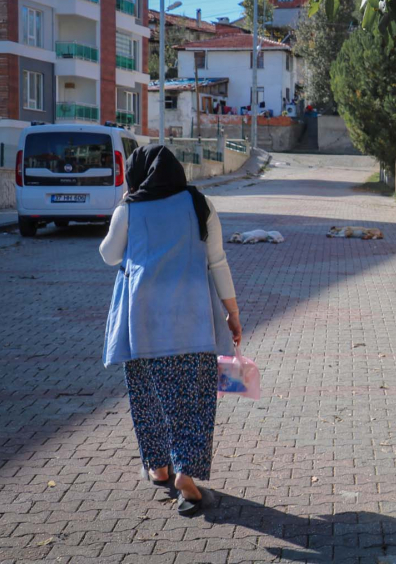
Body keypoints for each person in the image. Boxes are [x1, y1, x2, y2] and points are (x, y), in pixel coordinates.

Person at [99, 145, 242, 517]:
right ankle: (184, 474)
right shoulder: (199, 203)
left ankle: (160, 467)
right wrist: (232, 313)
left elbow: (109, 254)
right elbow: (218, 261)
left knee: (147, 396)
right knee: (191, 399)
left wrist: (124, 204)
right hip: (193, 318)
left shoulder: (130, 209)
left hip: (143, 320)